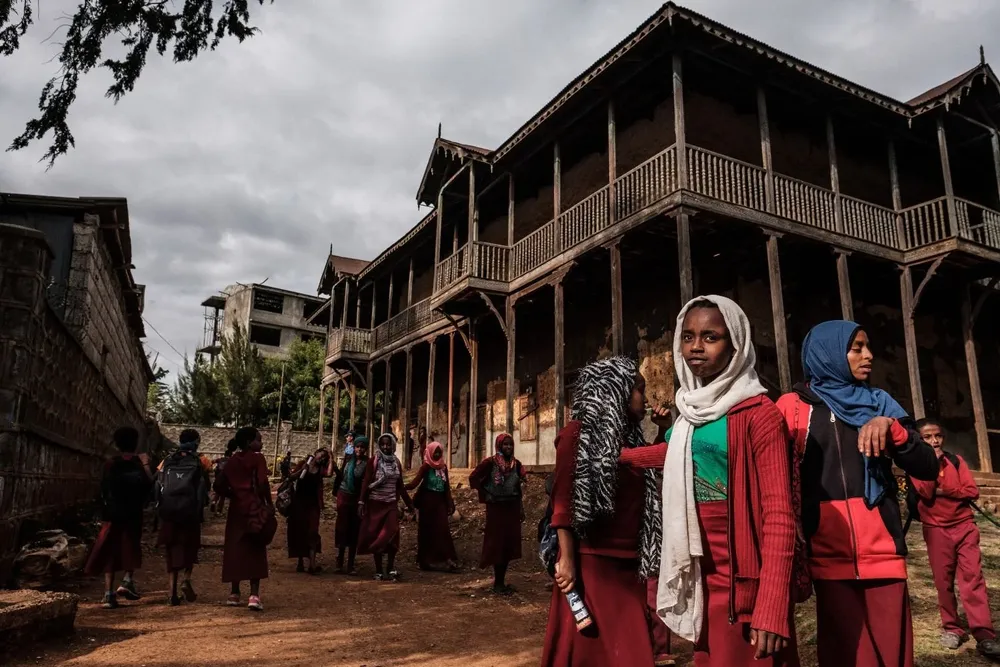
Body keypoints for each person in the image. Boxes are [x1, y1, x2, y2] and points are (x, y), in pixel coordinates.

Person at [776, 320, 938, 667]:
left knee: (893, 655)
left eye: (867, 346)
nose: (869, 355)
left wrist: (892, 429)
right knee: (846, 653)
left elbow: (927, 465)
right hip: (827, 554)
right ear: (829, 353)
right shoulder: (792, 407)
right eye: (857, 348)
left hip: (883, 552)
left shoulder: (880, 402)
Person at [540, 357, 668, 667]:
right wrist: (567, 560)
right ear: (616, 390)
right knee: (590, 652)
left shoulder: (629, 438)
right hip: (592, 564)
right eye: (639, 389)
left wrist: (665, 433)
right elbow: (564, 501)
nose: (645, 399)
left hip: (629, 564)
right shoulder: (576, 435)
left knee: (631, 651)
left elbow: (641, 468)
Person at [909, 419, 1000, 659]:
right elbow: (927, 492)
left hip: (965, 526)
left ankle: (984, 634)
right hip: (937, 529)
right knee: (944, 581)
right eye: (927, 437)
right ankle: (952, 627)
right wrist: (933, 464)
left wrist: (946, 490)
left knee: (973, 580)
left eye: (937, 436)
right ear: (919, 440)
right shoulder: (917, 466)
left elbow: (971, 491)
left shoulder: (956, 461)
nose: (934, 441)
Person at [86, 426, 153, 609]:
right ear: (136, 443)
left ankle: (108, 594)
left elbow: (102, 488)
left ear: (116, 443)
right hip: (133, 513)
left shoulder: (110, 463)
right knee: (131, 546)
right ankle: (127, 580)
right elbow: (149, 485)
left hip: (112, 513)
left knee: (110, 549)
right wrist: (146, 464)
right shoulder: (139, 463)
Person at [213, 426, 273, 611]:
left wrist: (233, 495)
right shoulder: (257, 458)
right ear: (249, 442)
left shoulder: (232, 460)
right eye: (259, 439)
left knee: (235, 549)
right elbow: (263, 483)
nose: (261, 443)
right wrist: (269, 504)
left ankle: (234, 593)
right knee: (255, 548)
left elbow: (219, 485)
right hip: (254, 506)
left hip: (237, 510)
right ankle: (254, 595)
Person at [156, 428, 211, 606]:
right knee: (190, 547)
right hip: (190, 513)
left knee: (171, 549)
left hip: (169, 512)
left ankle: (171, 592)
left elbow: (158, 484)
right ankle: (186, 578)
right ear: (196, 441)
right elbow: (205, 487)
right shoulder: (201, 461)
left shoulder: (167, 460)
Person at [469, 433, 526, 594]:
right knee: (497, 543)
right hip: (496, 510)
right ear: (499, 446)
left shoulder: (516, 464)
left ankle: (501, 581)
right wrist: (485, 493)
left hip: (512, 508)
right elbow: (473, 478)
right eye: (505, 445)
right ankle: (497, 583)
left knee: (509, 544)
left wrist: (521, 508)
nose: (508, 447)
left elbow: (518, 488)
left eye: (511, 445)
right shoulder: (490, 463)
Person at [358, 432, 413, 581]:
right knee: (377, 536)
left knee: (392, 534)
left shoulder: (396, 462)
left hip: (391, 504)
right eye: (383, 444)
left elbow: (400, 486)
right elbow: (366, 482)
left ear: (393, 445)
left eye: (388, 444)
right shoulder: (374, 461)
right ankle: (378, 570)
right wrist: (361, 502)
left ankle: (390, 567)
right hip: (375, 504)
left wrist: (410, 504)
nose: (386, 447)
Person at [405, 440, 458, 571]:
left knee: (442, 529)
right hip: (427, 502)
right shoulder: (426, 467)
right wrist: (402, 486)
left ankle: (445, 558)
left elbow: (446, 487)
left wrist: (450, 504)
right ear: (429, 453)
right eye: (435, 452)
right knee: (427, 530)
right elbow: (415, 482)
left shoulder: (443, 467)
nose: (437, 455)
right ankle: (426, 560)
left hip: (440, 502)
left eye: (439, 452)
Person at [286, 447, 335, 574]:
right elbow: (291, 477)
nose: (322, 458)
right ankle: (300, 562)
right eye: (321, 454)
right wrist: (303, 470)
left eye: (325, 457)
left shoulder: (320, 470)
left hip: (313, 505)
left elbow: (329, 474)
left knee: (313, 532)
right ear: (315, 453)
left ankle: (312, 564)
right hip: (299, 503)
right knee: (299, 532)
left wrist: (331, 456)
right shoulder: (303, 464)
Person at [335, 435, 369, 575]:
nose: (359, 449)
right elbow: (340, 477)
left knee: (354, 531)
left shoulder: (367, 464)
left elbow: (365, 483)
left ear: (365, 449)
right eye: (357, 447)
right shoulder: (348, 460)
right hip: (343, 497)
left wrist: (362, 501)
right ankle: (339, 562)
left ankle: (350, 564)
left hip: (356, 500)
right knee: (342, 529)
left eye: (362, 447)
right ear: (354, 448)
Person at [211, 439, 237, 515]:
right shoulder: (231, 461)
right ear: (231, 455)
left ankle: (213, 502)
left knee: (217, 493)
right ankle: (219, 511)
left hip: (217, 479)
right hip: (225, 481)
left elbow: (212, 462)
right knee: (222, 496)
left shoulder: (220, 459)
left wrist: (213, 470)